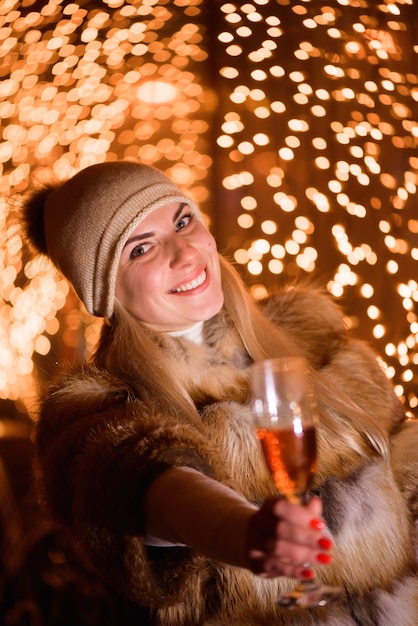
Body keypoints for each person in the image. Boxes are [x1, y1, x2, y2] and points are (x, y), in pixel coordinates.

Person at [22, 160, 418, 625]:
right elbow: (149, 480)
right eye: (141, 248)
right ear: (104, 290)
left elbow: (402, 457)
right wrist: (241, 529)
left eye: (183, 221)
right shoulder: (99, 406)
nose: (185, 253)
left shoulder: (315, 340)